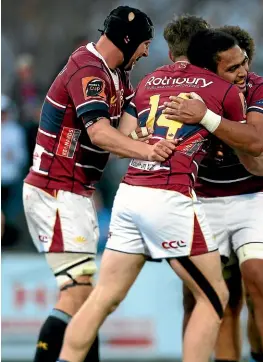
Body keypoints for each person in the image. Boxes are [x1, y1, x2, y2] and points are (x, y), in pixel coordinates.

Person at [57, 28, 249, 362]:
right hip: (170, 196)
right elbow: (246, 142)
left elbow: (123, 138)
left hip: (131, 192)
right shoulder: (225, 90)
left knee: (103, 297)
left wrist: (152, 137)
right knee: (215, 294)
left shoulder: (148, 83)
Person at [22, 6, 165, 362]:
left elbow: (122, 137)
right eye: (145, 44)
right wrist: (149, 152)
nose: (147, 51)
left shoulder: (118, 75)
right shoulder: (89, 69)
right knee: (77, 293)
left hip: (75, 193)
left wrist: (156, 133)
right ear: (128, 41)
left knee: (85, 300)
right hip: (54, 191)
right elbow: (101, 135)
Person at [165, 25, 263, 362]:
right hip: (203, 200)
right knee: (205, 295)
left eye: (244, 63)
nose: (244, 72)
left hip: (255, 198)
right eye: (233, 68)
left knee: (260, 278)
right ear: (208, 73)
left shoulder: (262, 89)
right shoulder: (184, 97)